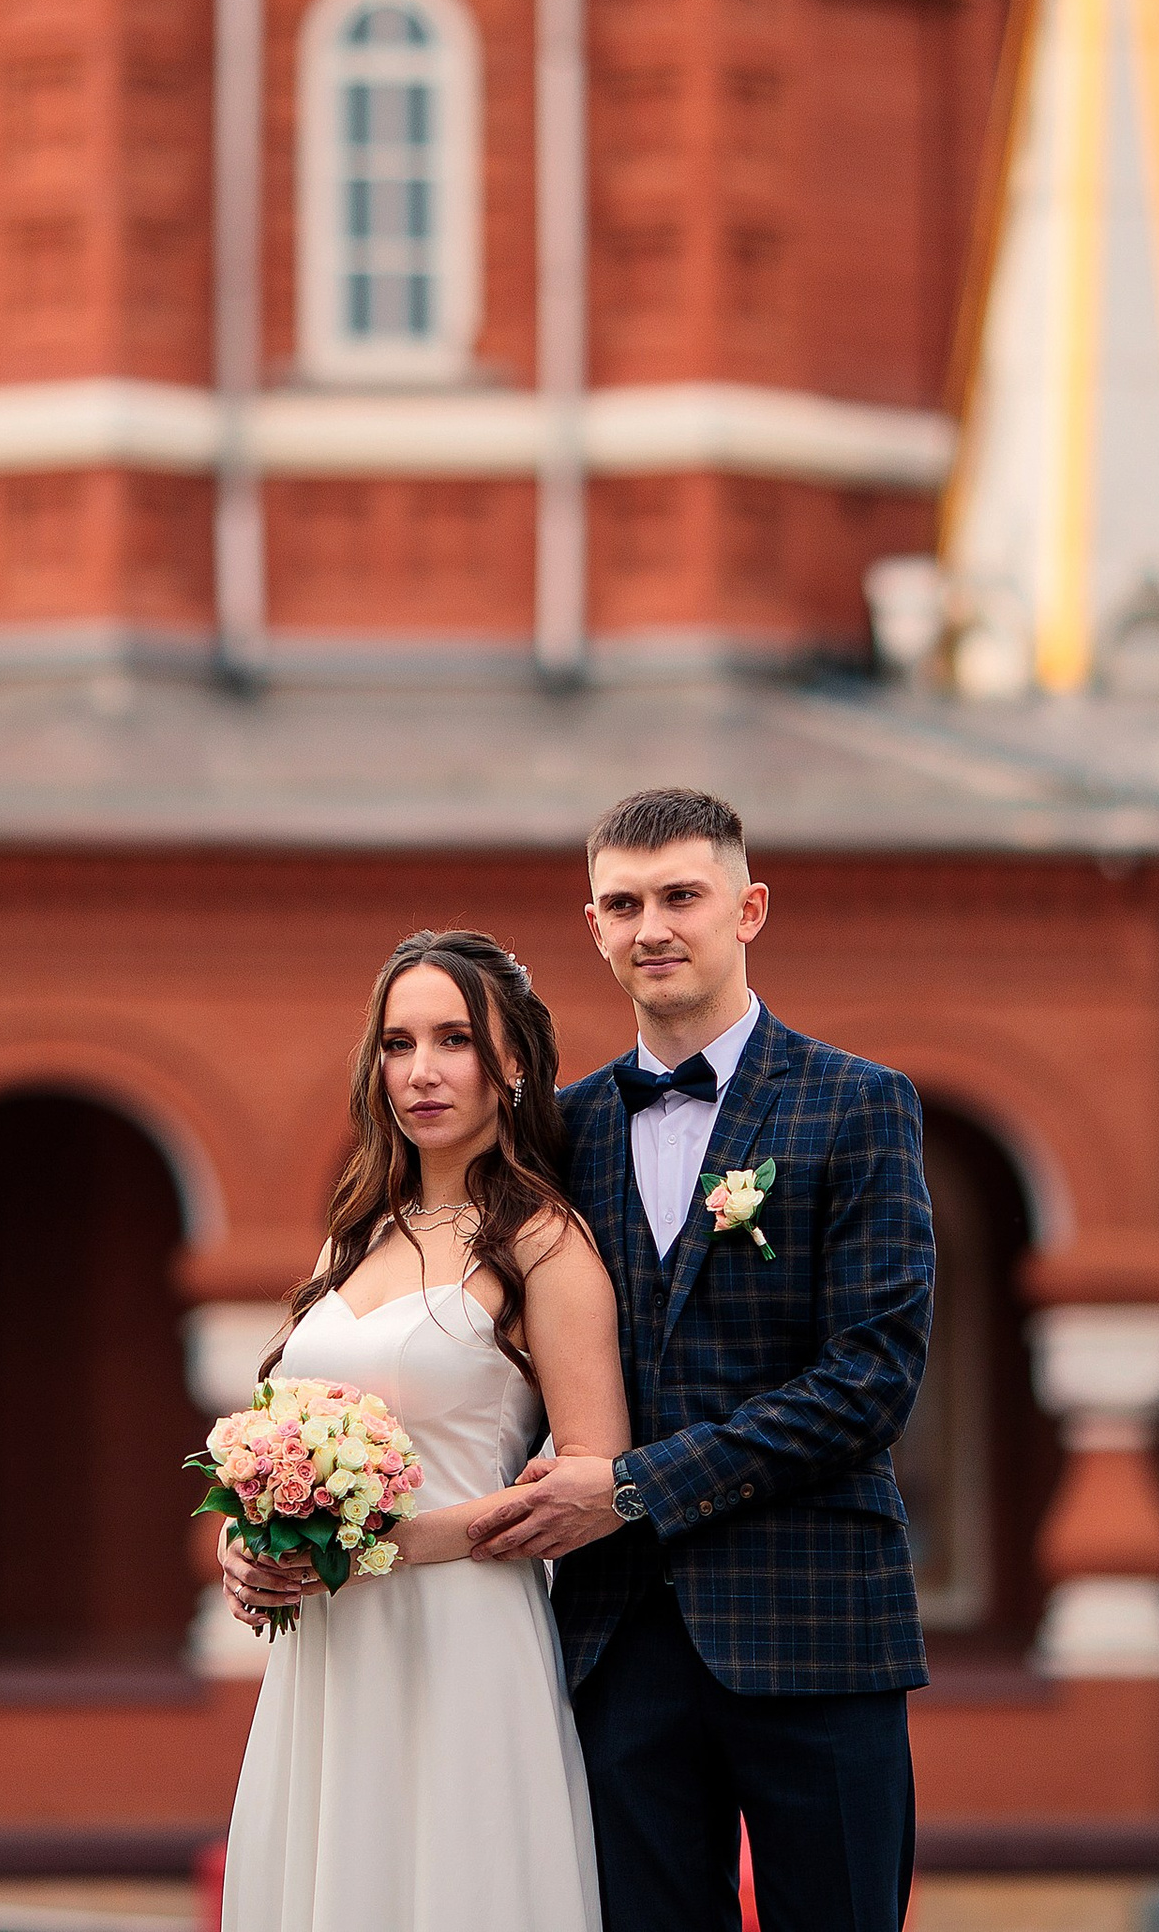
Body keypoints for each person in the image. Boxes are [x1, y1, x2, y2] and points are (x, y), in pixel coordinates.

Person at [464, 785, 934, 1932]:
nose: (651, 928)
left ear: (748, 908)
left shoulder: (857, 1105)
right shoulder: (554, 1135)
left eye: (682, 895)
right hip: (618, 1645)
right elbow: (493, 1370)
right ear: (592, 925)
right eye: (622, 903)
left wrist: (632, 1486)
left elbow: (868, 1379)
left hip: (816, 1629)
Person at [216, 929, 628, 1932]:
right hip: (327, 1646)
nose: (422, 1071)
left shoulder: (544, 1240)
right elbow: (286, 1434)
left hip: (461, 1635)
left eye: (454, 1039)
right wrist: (252, 1540)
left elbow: (598, 1478)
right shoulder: (354, 1234)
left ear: (512, 1063)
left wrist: (377, 1549)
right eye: (399, 1044)